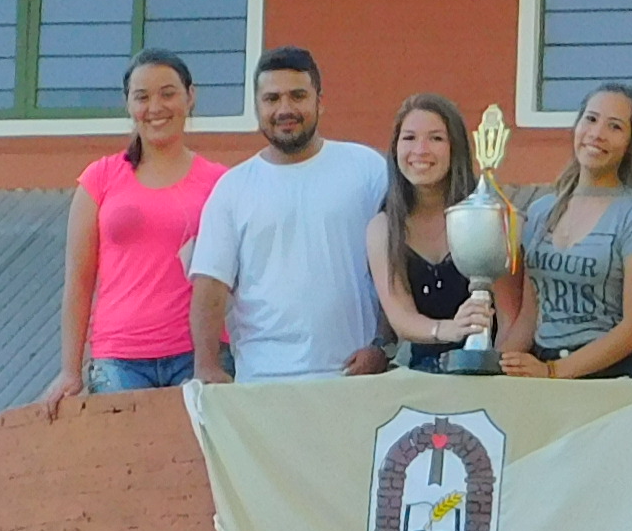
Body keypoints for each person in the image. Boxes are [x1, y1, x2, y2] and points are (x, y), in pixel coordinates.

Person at [186, 46, 392, 382]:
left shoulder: (368, 170)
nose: (285, 109)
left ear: (319, 102)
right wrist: (206, 365)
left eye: (298, 96)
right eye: (272, 99)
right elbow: (210, 284)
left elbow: (396, 266)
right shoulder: (232, 188)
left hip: (354, 381)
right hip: (263, 383)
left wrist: (382, 346)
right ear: (257, 107)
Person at [47, 50, 221, 396]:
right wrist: (70, 370)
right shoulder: (100, 179)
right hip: (118, 359)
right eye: (142, 97)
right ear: (128, 104)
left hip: (198, 358)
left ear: (191, 96)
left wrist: (214, 361)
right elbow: (79, 280)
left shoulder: (220, 183)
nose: (155, 107)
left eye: (168, 93)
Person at [500, 82, 632, 380]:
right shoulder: (539, 213)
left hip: (613, 376)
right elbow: (530, 313)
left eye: (614, 126)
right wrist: (497, 367)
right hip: (545, 368)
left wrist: (554, 372)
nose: (596, 133)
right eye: (590, 119)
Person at [366, 92, 502, 368]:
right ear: (395, 149)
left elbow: (515, 315)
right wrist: (447, 329)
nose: (420, 150)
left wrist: (495, 367)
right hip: (425, 377)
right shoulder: (384, 228)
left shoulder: (487, 215)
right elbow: (401, 318)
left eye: (436, 138)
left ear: (456, 148)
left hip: (494, 371)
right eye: (409, 138)